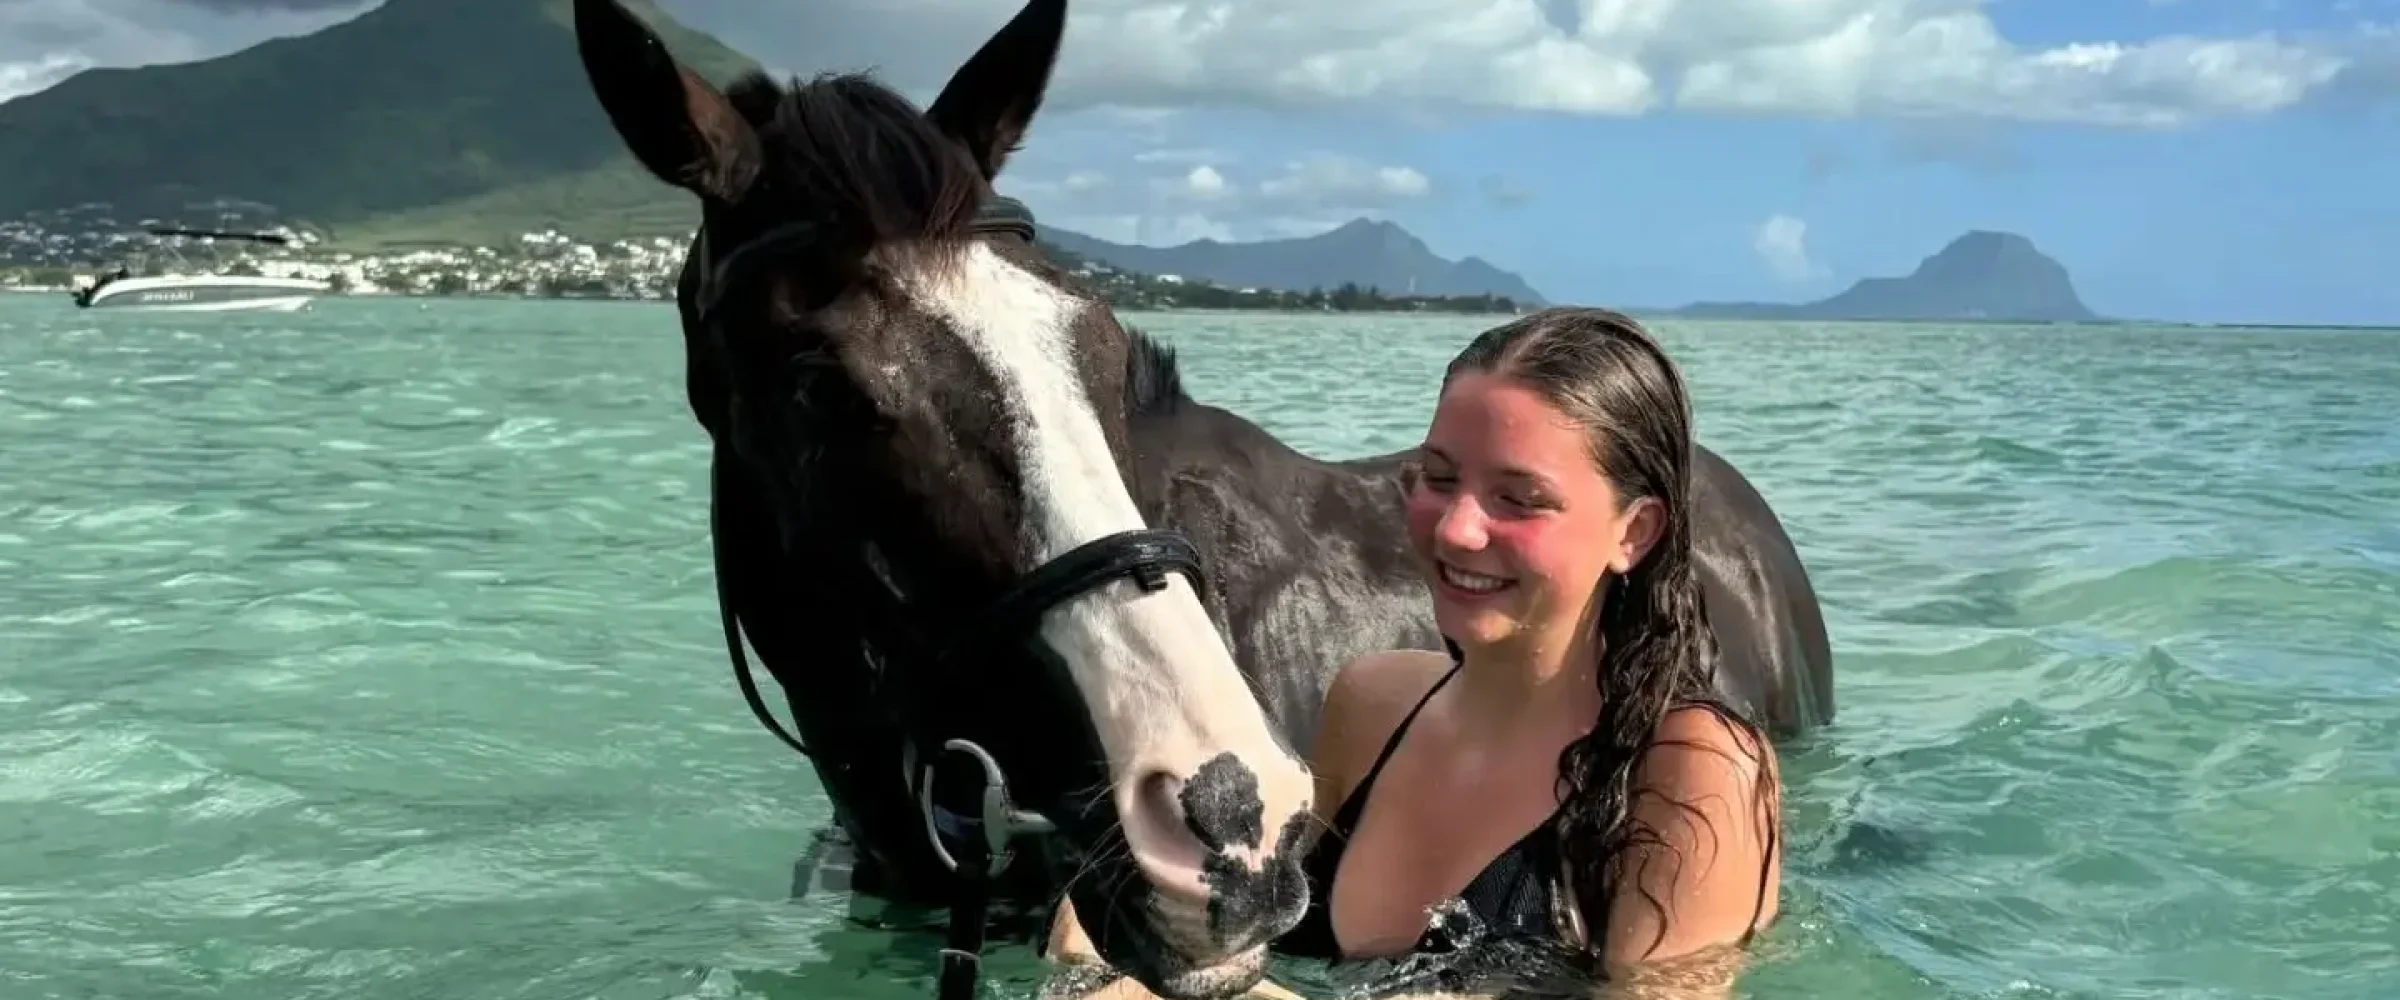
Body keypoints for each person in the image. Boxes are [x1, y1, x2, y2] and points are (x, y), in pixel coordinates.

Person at [1047, 307, 1783, 998]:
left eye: (1519, 499)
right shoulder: (1373, 702)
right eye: (1438, 478)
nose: (1457, 529)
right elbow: (1246, 914)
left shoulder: (1696, 767)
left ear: (1636, 533)